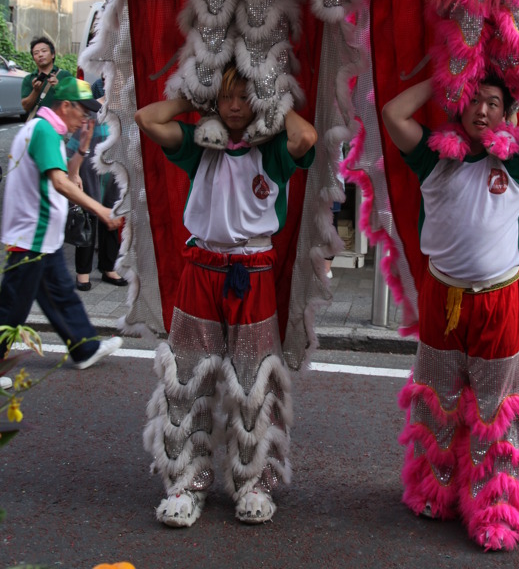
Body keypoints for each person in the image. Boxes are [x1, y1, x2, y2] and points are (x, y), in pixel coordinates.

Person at [381, 72, 519, 552]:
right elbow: (392, 114)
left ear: (506, 110)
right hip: (443, 299)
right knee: (438, 398)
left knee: (498, 408)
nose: (482, 110)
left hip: (499, 300)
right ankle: (437, 489)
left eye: (493, 102)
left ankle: (500, 509)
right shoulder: (433, 155)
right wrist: (442, 74)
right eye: (472, 100)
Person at [134, 64, 317, 529]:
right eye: (226, 98)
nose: (234, 107)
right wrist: (195, 98)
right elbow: (148, 119)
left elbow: (305, 139)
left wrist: (275, 102)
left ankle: (253, 482)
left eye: (244, 97)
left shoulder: (273, 149)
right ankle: (186, 483)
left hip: (252, 273)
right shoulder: (200, 144)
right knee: (186, 378)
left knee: (254, 382)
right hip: (201, 268)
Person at [0, 76, 124, 377]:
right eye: (82, 111)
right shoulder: (43, 130)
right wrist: (101, 210)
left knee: (61, 295)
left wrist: (81, 149)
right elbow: (59, 183)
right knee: (12, 309)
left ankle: (84, 348)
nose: (85, 118)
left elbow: (65, 178)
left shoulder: (47, 131)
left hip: (42, 238)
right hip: (32, 236)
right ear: (65, 105)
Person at [67, 78, 124, 290]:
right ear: (105, 81)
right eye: (115, 79)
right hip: (90, 171)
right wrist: (75, 173)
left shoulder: (125, 110)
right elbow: (74, 143)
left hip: (115, 173)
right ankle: (83, 273)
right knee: (88, 219)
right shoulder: (91, 109)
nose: (119, 84)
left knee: (112, 214)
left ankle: (108, 267)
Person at [20, 35, 70, 119]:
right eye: (36, 53)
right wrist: (35, 91)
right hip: (37, 126)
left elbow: (74, 102)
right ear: (33, 58)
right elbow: (26, 107)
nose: (40, 55)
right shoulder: (28, 79)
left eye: (44, 51)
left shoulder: (65, 75)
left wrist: (58, 87)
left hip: (57, 127)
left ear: (53, 54)